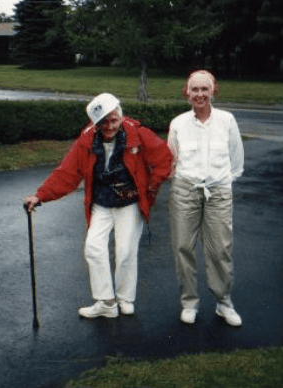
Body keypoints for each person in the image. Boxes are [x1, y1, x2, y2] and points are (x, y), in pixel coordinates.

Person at [25, 93, 172, 318]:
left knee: (125, 251)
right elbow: (67, 173)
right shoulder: (86, 141)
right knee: (94, 248)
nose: (109, 126)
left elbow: (163, 157)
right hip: (101, 203)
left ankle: (125, 298)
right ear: (95, 123)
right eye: (103, 122)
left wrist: (151, 186)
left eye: (113, 120)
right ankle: (106, 302)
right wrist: (40, 195)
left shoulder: (138, 133)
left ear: (120, 117)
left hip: (129, 202)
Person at [167, 70, 244, 326]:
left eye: (204, 89)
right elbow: (171, 162)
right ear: (186, 92)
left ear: (214, 91)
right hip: (185, 191)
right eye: (194, 89)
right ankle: (189, 302)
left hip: (219, 191)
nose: (199, 94)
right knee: (183, 247)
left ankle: (224, 302)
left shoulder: (227, 121)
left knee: (220, 249)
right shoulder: (178, 123)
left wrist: (221, 182)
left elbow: (236, 161)